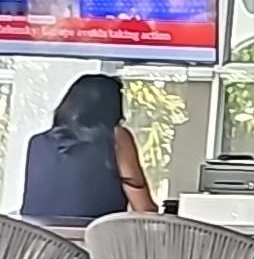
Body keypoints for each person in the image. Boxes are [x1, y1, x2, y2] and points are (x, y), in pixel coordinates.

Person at [19, 71, 157, 224]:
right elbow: (144, 208)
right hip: (94, 235)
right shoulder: (117, 137)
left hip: (37, 234)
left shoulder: (37, 142)